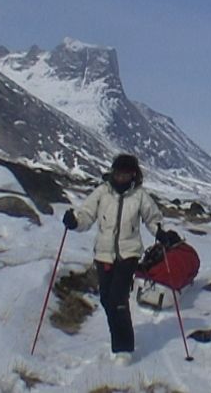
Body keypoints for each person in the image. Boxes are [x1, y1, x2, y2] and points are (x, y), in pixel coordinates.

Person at [62, 154, 163, 365]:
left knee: (118, 299)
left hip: (129, 254)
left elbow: (153, 219)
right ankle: (116, 339)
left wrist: (161, 232)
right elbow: (86, 215)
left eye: (126, 173)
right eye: (118, 172)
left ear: (133, 174)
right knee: (106, 299)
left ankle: (124, 349)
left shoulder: (140, 196)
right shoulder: (102, 192)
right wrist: (74, 221)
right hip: (103, 254)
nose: (121, 177)